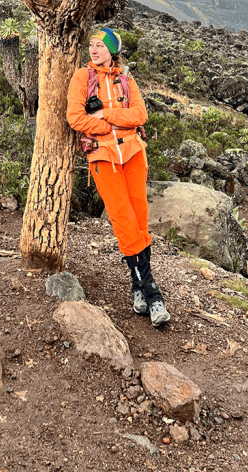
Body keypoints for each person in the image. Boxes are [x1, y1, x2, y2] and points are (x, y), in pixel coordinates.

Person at [66, 26, 171, 327]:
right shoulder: (81, 79)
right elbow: (75, 118)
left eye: (100, 45)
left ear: (113, 50)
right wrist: (113, 129)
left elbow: (140, 116)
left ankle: (137, 287)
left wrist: (106, 117)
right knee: (123, 220)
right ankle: (152, 294)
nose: (94, 50)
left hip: (135, 155)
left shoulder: (126, 80)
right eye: (92, 45)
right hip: (103, 158)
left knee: (139, 219)